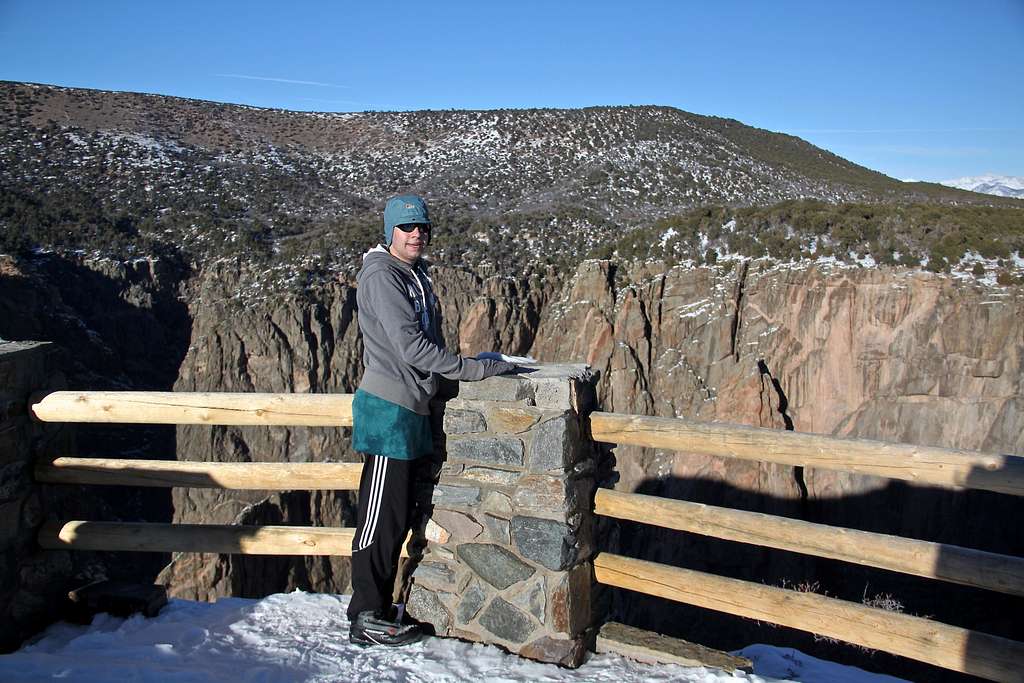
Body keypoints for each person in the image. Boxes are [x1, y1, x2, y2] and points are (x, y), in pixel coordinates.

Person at [347, 194, 516, 647]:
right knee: (380, 516)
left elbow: (426, 340)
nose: (416, 233)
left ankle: (379, 609)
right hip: (389, 410)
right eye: (406, 227)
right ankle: (365, 614)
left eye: (422, 226)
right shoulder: (382, 277)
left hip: (412, 404)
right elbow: (412, 349)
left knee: (398, 513)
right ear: (389, 232)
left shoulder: (413, 275)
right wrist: (474, 369)